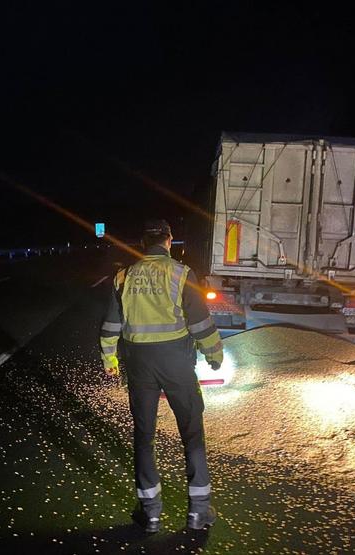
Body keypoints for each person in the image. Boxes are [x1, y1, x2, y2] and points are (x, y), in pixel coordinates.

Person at [99, 219, 224, 533]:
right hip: (176, 362)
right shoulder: (182, 274)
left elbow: (111, 324)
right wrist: (214, 354)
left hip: (139, 363)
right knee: (192, 433)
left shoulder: (123, 277)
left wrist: (109, 357)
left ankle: (151, 512)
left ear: (143, 243)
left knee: (144, 436)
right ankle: (197, 512)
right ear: (168, 241)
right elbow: (199, 323)